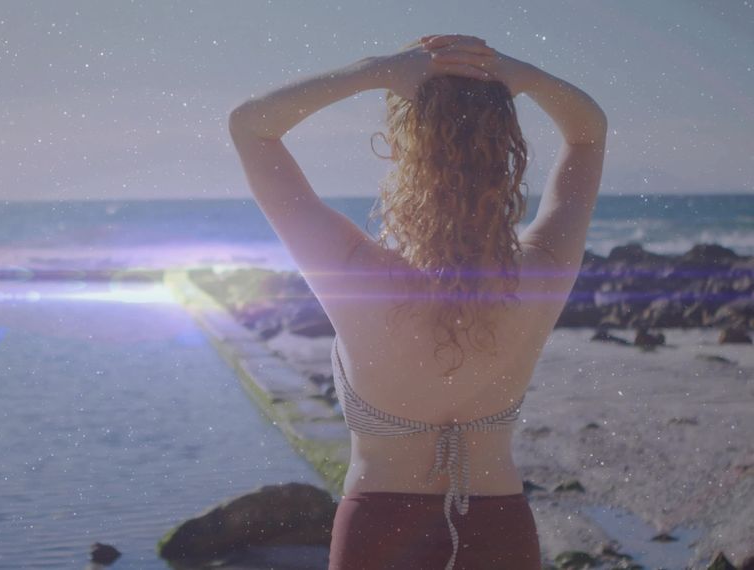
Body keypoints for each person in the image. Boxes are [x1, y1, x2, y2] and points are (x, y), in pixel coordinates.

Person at [229, 33, 607, 569]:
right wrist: (525, 77)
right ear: (505, 156)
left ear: (403, 149)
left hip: (379, 532)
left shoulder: (355, 272)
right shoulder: (540, 271)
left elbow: (250, 127)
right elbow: (588, 136)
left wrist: (374, 70)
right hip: (500, 529)